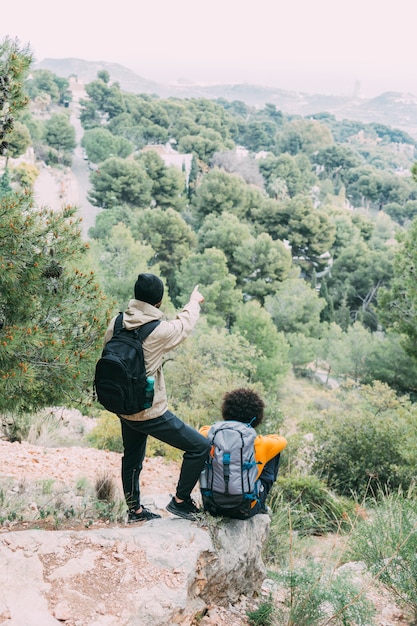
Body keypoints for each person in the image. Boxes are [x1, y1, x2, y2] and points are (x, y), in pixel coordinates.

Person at [103, 272, 211, 523]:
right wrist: (194, 301)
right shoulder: (158, 331)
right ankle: (181, 502)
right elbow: (184, 325)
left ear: (135, 296)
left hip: (123, 405)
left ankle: (135, 510)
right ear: (159, 303)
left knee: (131, 457)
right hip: (148, 411)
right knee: (199, 447)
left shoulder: (116, 322)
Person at [200, 388, 287, 517]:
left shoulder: (209, 435)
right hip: (245, 510)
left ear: (226, 411)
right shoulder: (261, 443)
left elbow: (204, 429)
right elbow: (282, 441)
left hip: (212, 506)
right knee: (275, 455)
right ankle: (260, 504)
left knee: (203, 450)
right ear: (256, 417)